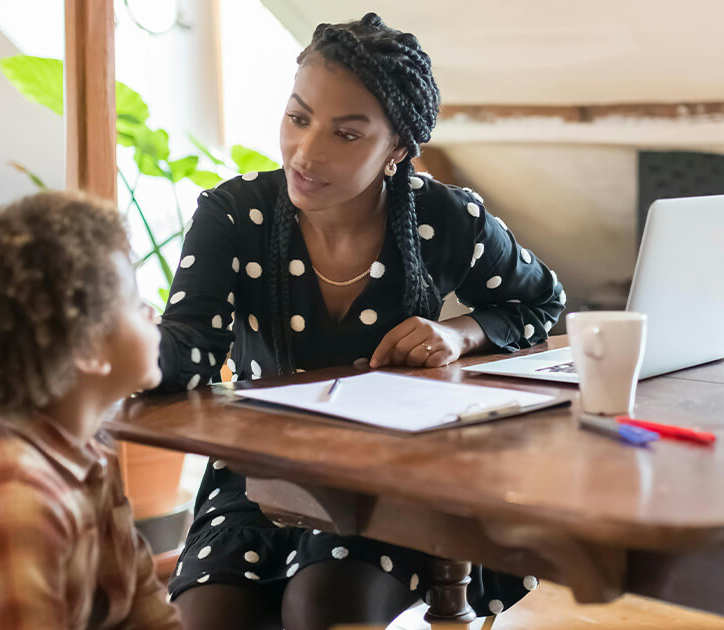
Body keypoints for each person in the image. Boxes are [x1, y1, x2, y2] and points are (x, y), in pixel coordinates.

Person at [157, 13, 564, 630]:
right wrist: (116, 343)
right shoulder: (233, 215)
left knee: (321, 609)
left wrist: (460, 334)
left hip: (388, 481)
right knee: (210, 619)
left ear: (397, 148)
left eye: (346, 135)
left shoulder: (446, 218)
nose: (306, 153)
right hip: (258, 475)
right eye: (298, 119)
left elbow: (540, 301)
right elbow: (189, 348)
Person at [0, 191, 180, 629]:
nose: (154, 315)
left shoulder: (86, 454)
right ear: (88, 348)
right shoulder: (10, 499)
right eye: (138, 305)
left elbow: (140, 601)